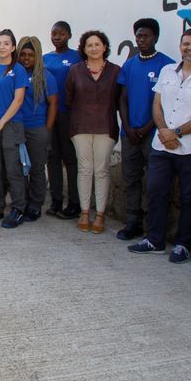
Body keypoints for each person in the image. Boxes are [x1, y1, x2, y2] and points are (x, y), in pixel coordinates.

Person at [128, 29, 191, 263]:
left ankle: (182, 244)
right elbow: (157, 104)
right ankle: (155, 240)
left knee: (189, 197)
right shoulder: (167, 71)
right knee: (155, 191)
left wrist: (177, 132)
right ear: (180, 46)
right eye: (186, 44)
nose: (190, 48)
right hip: (161, 146)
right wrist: (163, 131)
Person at [115, 18, 174, 241]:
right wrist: (128, 126)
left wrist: (148, 127)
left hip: (155, 134)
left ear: (156, 37)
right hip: (129, 133)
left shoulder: (167, 66)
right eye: (139, 36)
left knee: (155, 182)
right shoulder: (129, 64)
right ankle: (133, 222)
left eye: (146, 35)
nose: (142, 39)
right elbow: (122, 98)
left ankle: (154, 227)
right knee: (131, 179)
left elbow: (168, 102)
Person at [65, 30, 121, 234]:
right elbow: (69, 99)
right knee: (85, 169)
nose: (94, 48)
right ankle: (85, 212)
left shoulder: (115, 71)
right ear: (84, 49)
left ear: (105, 47)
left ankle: (100, 215)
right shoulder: (75, 71)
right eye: (89, 45)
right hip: (80, 127)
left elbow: (119, 100)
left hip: (106, 127)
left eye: (97, 44)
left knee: (102, 170)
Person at [0, 29, 30, 228]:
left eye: (6, 43)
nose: (1, 47)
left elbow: (18, 100)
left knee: (13, 169)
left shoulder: (18, 70)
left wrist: (1, 123)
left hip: (11, 125)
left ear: (13, 47)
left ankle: (18, 208)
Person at [43, 20, 82, 219]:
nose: (56, 37)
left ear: (69, 35)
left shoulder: (77, 57)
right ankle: (56, 200)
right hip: (49, 114)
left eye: (61, 34)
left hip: (68, 114)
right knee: (52, 157)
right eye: (53, 34)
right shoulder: (45, 59)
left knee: (70, 158)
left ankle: (74, 203)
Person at [16, 35, 57, 222]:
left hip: (37, 128)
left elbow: (53, 104)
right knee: (19, 168)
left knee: (37, 168)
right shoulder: (15, 73)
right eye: (22, 54)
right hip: (17, 127)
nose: (26, 58)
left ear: (37, 56)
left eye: (30, 55)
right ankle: (21, 202)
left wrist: (46, 130)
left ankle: (35, 204)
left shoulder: (46, 76)